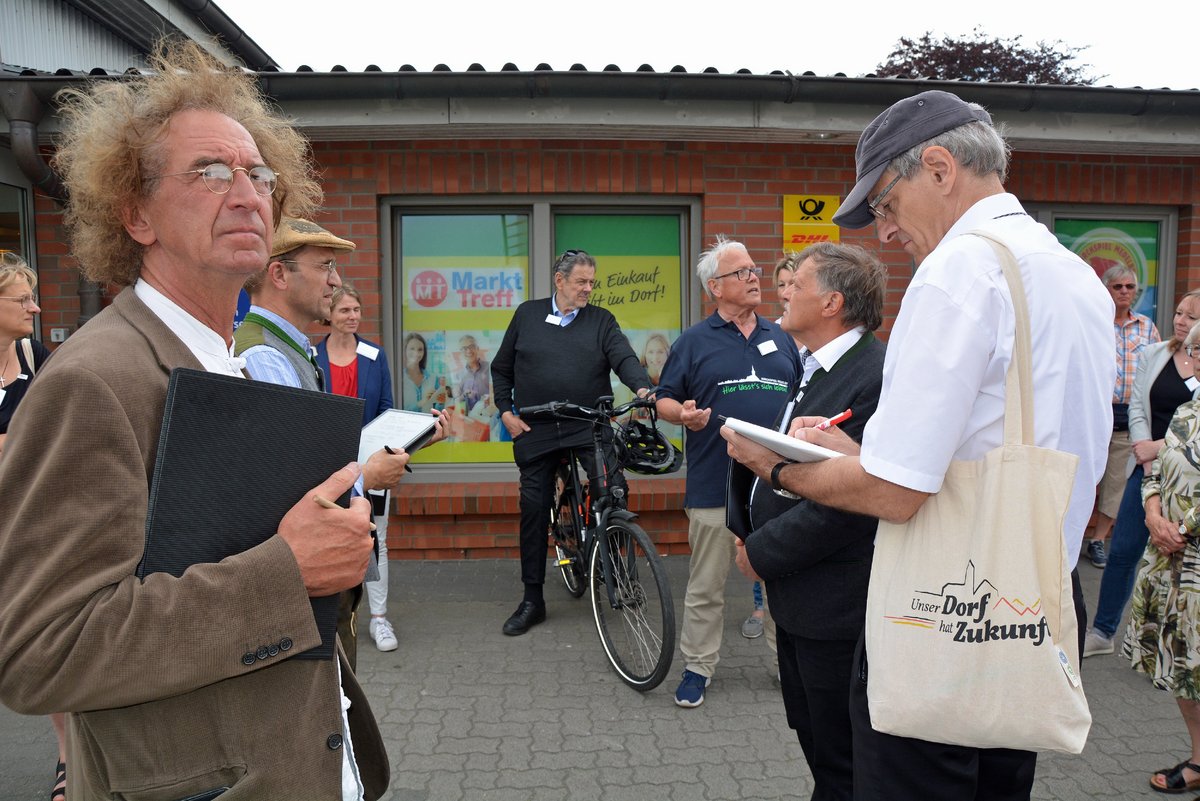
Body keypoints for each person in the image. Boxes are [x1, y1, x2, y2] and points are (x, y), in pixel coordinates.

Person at [0, 40, 390, 799]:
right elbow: (39, 649)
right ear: (135, 213)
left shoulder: (227, 359)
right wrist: (288, 569)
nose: (247, 194)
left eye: (257, 173)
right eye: (210, 173)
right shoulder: (92, 380)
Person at [722, 89, 1113, 801]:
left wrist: (778, 464)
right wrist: (844, 456)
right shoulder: (1072, 274)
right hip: (1028, 604)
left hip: (940, 611)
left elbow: (896, 491)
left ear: (939, 168)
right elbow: (976, 453)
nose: (883, 230)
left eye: (887, 204)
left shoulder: (959, 270)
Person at [733, 241, 887, 801]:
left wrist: (761, 551)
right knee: (814, 735)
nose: (784, 289)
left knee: (841, 756)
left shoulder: (873, 374)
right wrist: (743, 519)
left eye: (797, 282)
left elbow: (853, 504)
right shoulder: (814, 363)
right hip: (801, 598)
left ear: (832, 303)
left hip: (836, 603)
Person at [236, 216, 414, 670]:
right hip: (303, 579)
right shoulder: (265, 355)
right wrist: (368, 476)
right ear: (279, 274)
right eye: (325, 267)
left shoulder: (286, 348)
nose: (336, 282)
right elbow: (293, 482)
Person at [656, 235, 802, 708]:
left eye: (753, 270)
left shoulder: (780, 337)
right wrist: (683, 415)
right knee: (706, 585)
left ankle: (789, 665)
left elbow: (802, 395)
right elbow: (663, 400)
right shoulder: (693, 342)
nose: (754, 277)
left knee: (782, 578)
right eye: (741, 273)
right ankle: (698, 667)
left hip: (778, 483)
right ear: (715, 287)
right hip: (714, 482)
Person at [491, 248, 651, 635]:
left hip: (587, 424)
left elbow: (623, 356)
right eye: (581, 282)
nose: (588, 289)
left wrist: (643, 388)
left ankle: (615, 568)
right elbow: (502, 368)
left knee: (612, 488)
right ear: (559, 281)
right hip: (537, 426)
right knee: (533, 505)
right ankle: (533, 599)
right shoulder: (527, 315)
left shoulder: (601, 321)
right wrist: (505, 411)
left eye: (592, 282)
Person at [1084, 290, 1200, 656]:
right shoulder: (1154, 354)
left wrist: (1160, 447)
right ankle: (1103, 632)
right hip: (1146, 471)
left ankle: (1174, 644)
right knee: (1124, 551)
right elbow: (1137, 408)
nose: (1180, 321)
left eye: (1190, 317)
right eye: (1178, 312)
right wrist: (1145, 453)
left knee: (1177, 560)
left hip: (1188, 479)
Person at [1125, 319, 1200, 794]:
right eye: (1197, 351)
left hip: (1192, 557)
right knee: (1184, 672)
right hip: (1170, 562)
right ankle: (1199, 760)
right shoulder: (1186, 413)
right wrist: (1154, 513)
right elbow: (1154, 471)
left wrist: (1183, 529)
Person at [0, 254, 61, 799]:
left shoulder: (32, 355)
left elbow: (54, 431)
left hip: (30, 526)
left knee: (48, 639)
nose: (35, 308)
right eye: (22, 299)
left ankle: (69, 762)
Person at [317, 283, 401, 653]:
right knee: (330, 536)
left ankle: (379, 618)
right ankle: (330, 615)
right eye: (344, 311)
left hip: (371, 462)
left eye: (356, 310)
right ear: (329, 316)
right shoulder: (311, 355)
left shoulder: (374, 355)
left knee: (374, 538)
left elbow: (386, 408)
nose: (352, 317)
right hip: (326, 463)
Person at [1087, 266, 1160, 568]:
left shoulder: (1146, 327)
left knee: (1116, 483)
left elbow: (1157, 369)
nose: (1125, 292)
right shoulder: (1093, 324)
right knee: (1083, 479)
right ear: (1106, 290)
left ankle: (1097, 540)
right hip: (1091, 413)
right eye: (1118, 287)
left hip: (1126, 415)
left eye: (1130, 286)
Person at [400, 331, 448, 412]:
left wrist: (440, 402)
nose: (416, 353)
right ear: (405, 350)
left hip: (429, 424)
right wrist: (421, 403)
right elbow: (396, 410)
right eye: (412, 349)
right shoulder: (399, 379)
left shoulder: (433, 379)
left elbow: (437, 412)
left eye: (420, 350)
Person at [454, 334, 491, 412]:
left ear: (477, 348)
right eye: (464, 348)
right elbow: (455, 401)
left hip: (487, 417)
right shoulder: (459, 375)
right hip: (467, 418)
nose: (468, 351)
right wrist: (464, 396)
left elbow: (499, 392)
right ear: (460, 352)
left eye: (471, 346)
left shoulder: (490, 368)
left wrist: (491, 398)